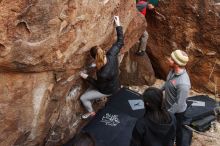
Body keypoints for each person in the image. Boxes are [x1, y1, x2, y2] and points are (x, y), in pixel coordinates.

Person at [79, 16, 124, 119]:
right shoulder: (111, 54)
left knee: (84, 98)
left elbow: (99, 86)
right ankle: (97, 99)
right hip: (115, 83)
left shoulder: (102, 73)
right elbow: (120, 41)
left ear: (94, 58)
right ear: (103, 52)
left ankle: (91, 112)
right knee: (92, 90)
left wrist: (86, 77)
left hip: (107, 90)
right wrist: (118, 24)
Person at [161, 50, 192, 146]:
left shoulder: (183, 84)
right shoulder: (172, 71)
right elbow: (167, 82)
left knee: (178, 131)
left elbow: (179, 104)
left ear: (177, 63)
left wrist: (168, 113)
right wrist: (159, 90)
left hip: (177, 113)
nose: (168, 59)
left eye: (171, 59)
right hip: (168, 108)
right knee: (167, 129)